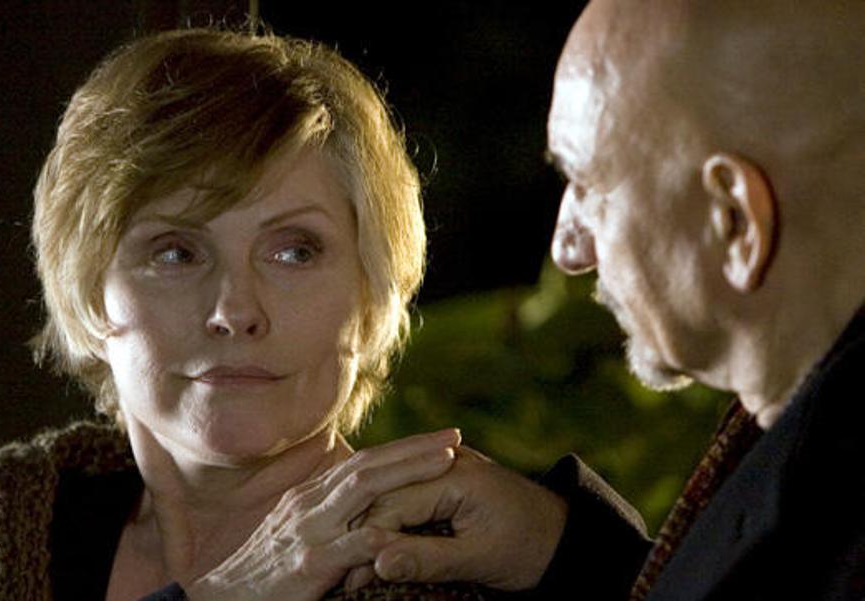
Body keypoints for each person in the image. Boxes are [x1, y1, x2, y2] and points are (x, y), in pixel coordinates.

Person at [0, 27, 498, 601]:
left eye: (294, 252)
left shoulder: (441, 573)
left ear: (372, 295)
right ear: (89, 290)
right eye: (176, 253)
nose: (236, 311)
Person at [356, 0, 865, 599]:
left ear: (734, 222)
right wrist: (563, 549)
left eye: (589, 186)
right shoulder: (803, 433)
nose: (567, 251)